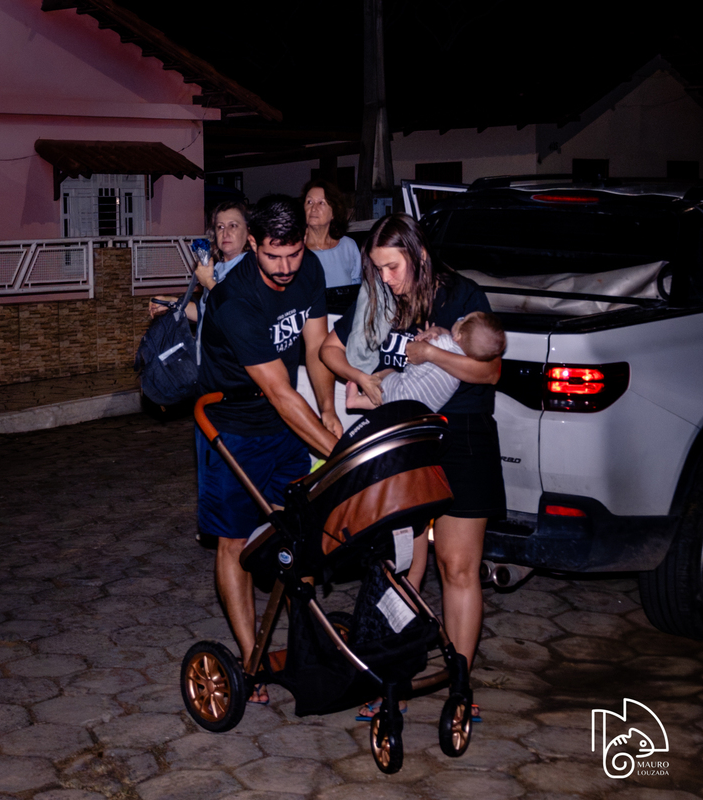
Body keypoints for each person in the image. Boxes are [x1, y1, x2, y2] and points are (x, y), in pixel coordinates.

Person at [320, 214, 503, 722]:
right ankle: (391, 678)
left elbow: (488, 370)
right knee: (402, 566)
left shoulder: (463, 294)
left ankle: (460, 688)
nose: (386, 279)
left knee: (458, 567)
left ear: (418, 256)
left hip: (462, 438)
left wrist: (426, 353)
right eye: (378, 269)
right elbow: (329, 349)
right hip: (404, 444)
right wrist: (361, 376)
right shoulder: (382, 301)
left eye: (393, 267)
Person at [197, 194, 342, 703]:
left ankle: (303, 642)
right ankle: (250, 655)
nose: (285, 269)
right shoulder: (234, 301)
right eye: (273, 256)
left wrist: (326, 407)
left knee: (296, 527)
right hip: (233, 428)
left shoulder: (310, 271)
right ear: (253, 244)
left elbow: (317, 346)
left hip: (286, 424)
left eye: (294, 254)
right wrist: (339, 454)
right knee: (234, 539)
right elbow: (280, 395)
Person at [345, 311, 506, 412]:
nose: (460, 319)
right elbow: (448, 335)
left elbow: (415, 348)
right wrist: (436, 331)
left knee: (389, 373)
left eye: (462, 320)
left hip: (399, 392)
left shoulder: (441, 343)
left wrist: (425, 338)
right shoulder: (464, 363)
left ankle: (359, 398)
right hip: (422, 412)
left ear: (459, 336)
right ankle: (358, 401)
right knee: (391, 399)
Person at [147, 201, 250, 323]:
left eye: (233, 225)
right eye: (220, 227)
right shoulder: (217, 268)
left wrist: (208, 282)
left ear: (248, 231)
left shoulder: (251, 267)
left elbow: (238, 314)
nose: (225, 233)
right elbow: (204, 314)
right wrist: (169, 301)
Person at [302, 180, 361, 288]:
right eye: (309, 202)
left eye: (321, 203)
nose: (314, 208)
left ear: (334, 212)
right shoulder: (295, 250)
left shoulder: (348, 246)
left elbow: (358, 288)